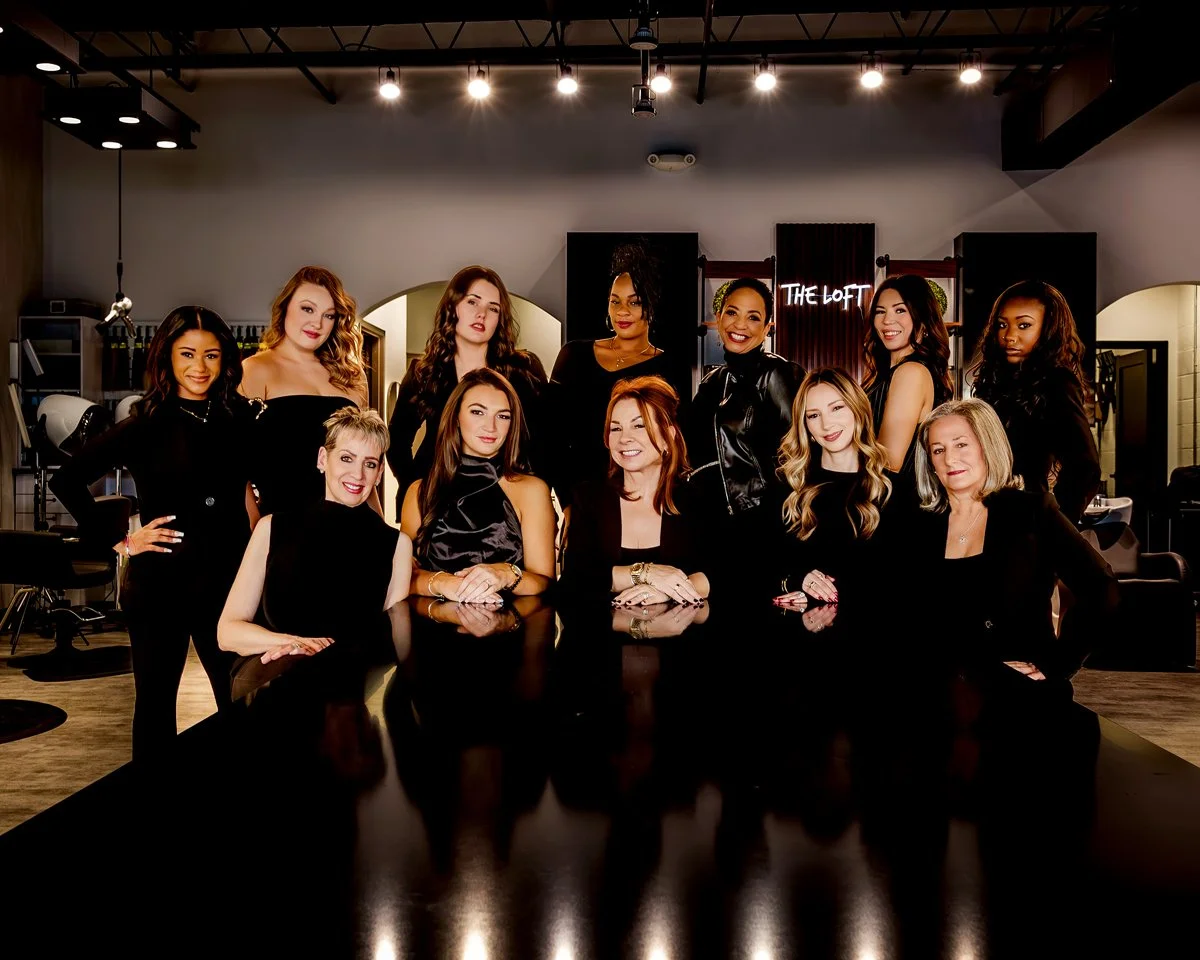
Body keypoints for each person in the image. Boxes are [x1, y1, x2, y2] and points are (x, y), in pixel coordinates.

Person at [50, 306, 253, 760]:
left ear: (225, 361)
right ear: (167, 357)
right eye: (187, 354)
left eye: (212, 355)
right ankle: (152, 816)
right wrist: (120, 540)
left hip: (228, 583)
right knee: (156, 711)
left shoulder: (241, 420)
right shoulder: (145, 423)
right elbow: (66, 479)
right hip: (160, 585)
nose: (199, 367)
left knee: (240, 701)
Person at [909, 398, 1117, 680]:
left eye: (961, 444)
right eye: (938, 449)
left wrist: (1058, 663)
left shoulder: (1032, 512)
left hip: (1013, 692)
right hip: (940, 688)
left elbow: (1101, 586)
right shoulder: (918, 524)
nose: (949, 459)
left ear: (987, 446)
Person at [219, 407, 411, 663]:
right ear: (322, 459)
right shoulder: (272, 528)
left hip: (352, 684)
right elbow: (227, 632)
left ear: (378, 475)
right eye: (346, 458)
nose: (358, 474)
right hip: (274, 672)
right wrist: (291, 643)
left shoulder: (397, 545)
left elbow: (397, 646)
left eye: (370, 464)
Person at [386, 265, 548, 516]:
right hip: (438, 502)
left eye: (493, 308)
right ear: (453, 307)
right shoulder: (424, 372)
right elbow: (396, 442)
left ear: (499, 318)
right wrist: (416, 490)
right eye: (473, 302)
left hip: (506, 502)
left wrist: (539, 505)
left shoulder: (524, 370)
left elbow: (544, 445)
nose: (481, 314)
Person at [401, 368, 555, 601]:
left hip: (510, 627)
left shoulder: (532, 490)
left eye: (503, 416)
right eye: (477, 412)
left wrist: (506, 574)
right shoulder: (420, 492)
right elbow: (402, 578)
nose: (491, 427)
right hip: (433, 628)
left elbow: (544, 581)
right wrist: (444, 582)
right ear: (455, 417)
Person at [687, 277, 804, 577]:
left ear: (767, 328)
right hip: (707, 525)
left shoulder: (777, 373)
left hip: (758, 527)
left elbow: (796, 459)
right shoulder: (711, 383)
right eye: (732, 312)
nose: (740, 325)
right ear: (719, 317)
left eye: (754, 317)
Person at [561, 376, 710, 606]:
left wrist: (669, 591)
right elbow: (575, 579)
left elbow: (723, 572)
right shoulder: (589, 497)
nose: (624, 438)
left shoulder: (698, 497)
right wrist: (645, 573)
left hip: (681, 638)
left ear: (667, 436)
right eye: (615, 428)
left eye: (639, 425)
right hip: (601, 636)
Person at [240, 265, 373, 518]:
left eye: (329, 315)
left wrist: (382, 532)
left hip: (350, 524)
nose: (317, 323)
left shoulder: (352, 377)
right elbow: (235, 470)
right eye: (307, 309)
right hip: (283, 526)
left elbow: (366, 465)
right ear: (285, 307)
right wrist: (256, 532)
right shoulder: (255, 371)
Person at [549, 242, 675, 510]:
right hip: (580, 499)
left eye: (634, 302)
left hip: (644, 500)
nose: (622, 312)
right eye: (614, 301)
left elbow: (670, 446)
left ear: (651, 306)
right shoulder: (574, 355)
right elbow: (551, 438)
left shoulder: (668, 368)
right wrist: (568, 504)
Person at [966, 279, 1100, 523]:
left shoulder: (1057, 382)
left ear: (1047, 329)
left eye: (1024, 325)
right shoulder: (998, 381)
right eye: (1002, 324)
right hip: (986, 515)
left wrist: (1055, 524)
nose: (1009, 336)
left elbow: (1086, 467)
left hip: (1024, 520)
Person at [773, 368, 893, 608]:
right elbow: (761, 561)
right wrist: (798, 579)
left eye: (837, 408)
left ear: (858, 410)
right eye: (813, 415)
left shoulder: (892, 489)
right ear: (805, 426)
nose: (826, 424)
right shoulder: (789, 487)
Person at [862, 275, 952, 502]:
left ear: (921, 317)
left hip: (896, 504)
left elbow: (888, 462)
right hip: (884, 498)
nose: (886, 321)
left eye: (900, 310)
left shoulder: (910, 372)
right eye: (880, 311)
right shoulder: (888, 373)